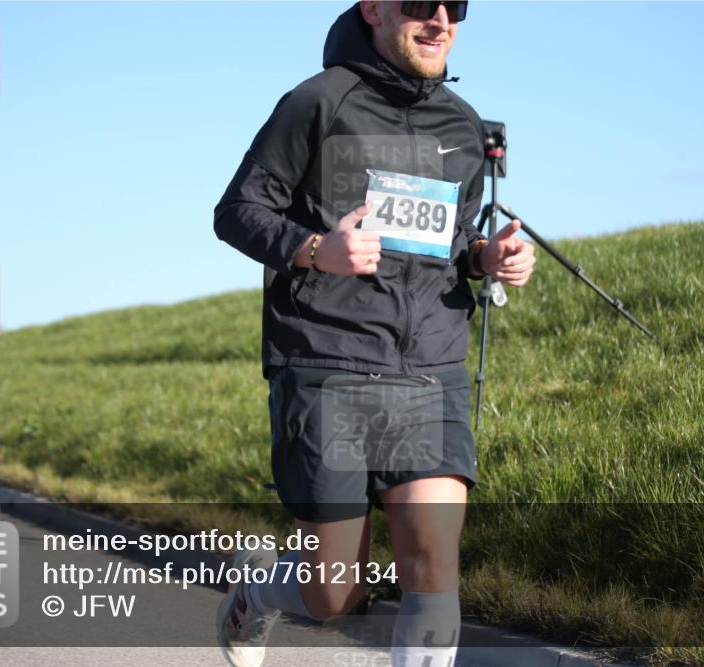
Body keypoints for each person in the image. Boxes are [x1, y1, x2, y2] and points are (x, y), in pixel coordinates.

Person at [212, 2, 536, 666]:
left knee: (433, 567)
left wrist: (487, 257)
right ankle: (258, 592)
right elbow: (237, 210)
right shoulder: (318, 103)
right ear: (376, 9)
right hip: (328, 362)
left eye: (456, 7)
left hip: (430, 367)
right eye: (420, 5)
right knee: (335, 593)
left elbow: (450, 244)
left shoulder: (462, 125)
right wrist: (311, 248)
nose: (441, 19)